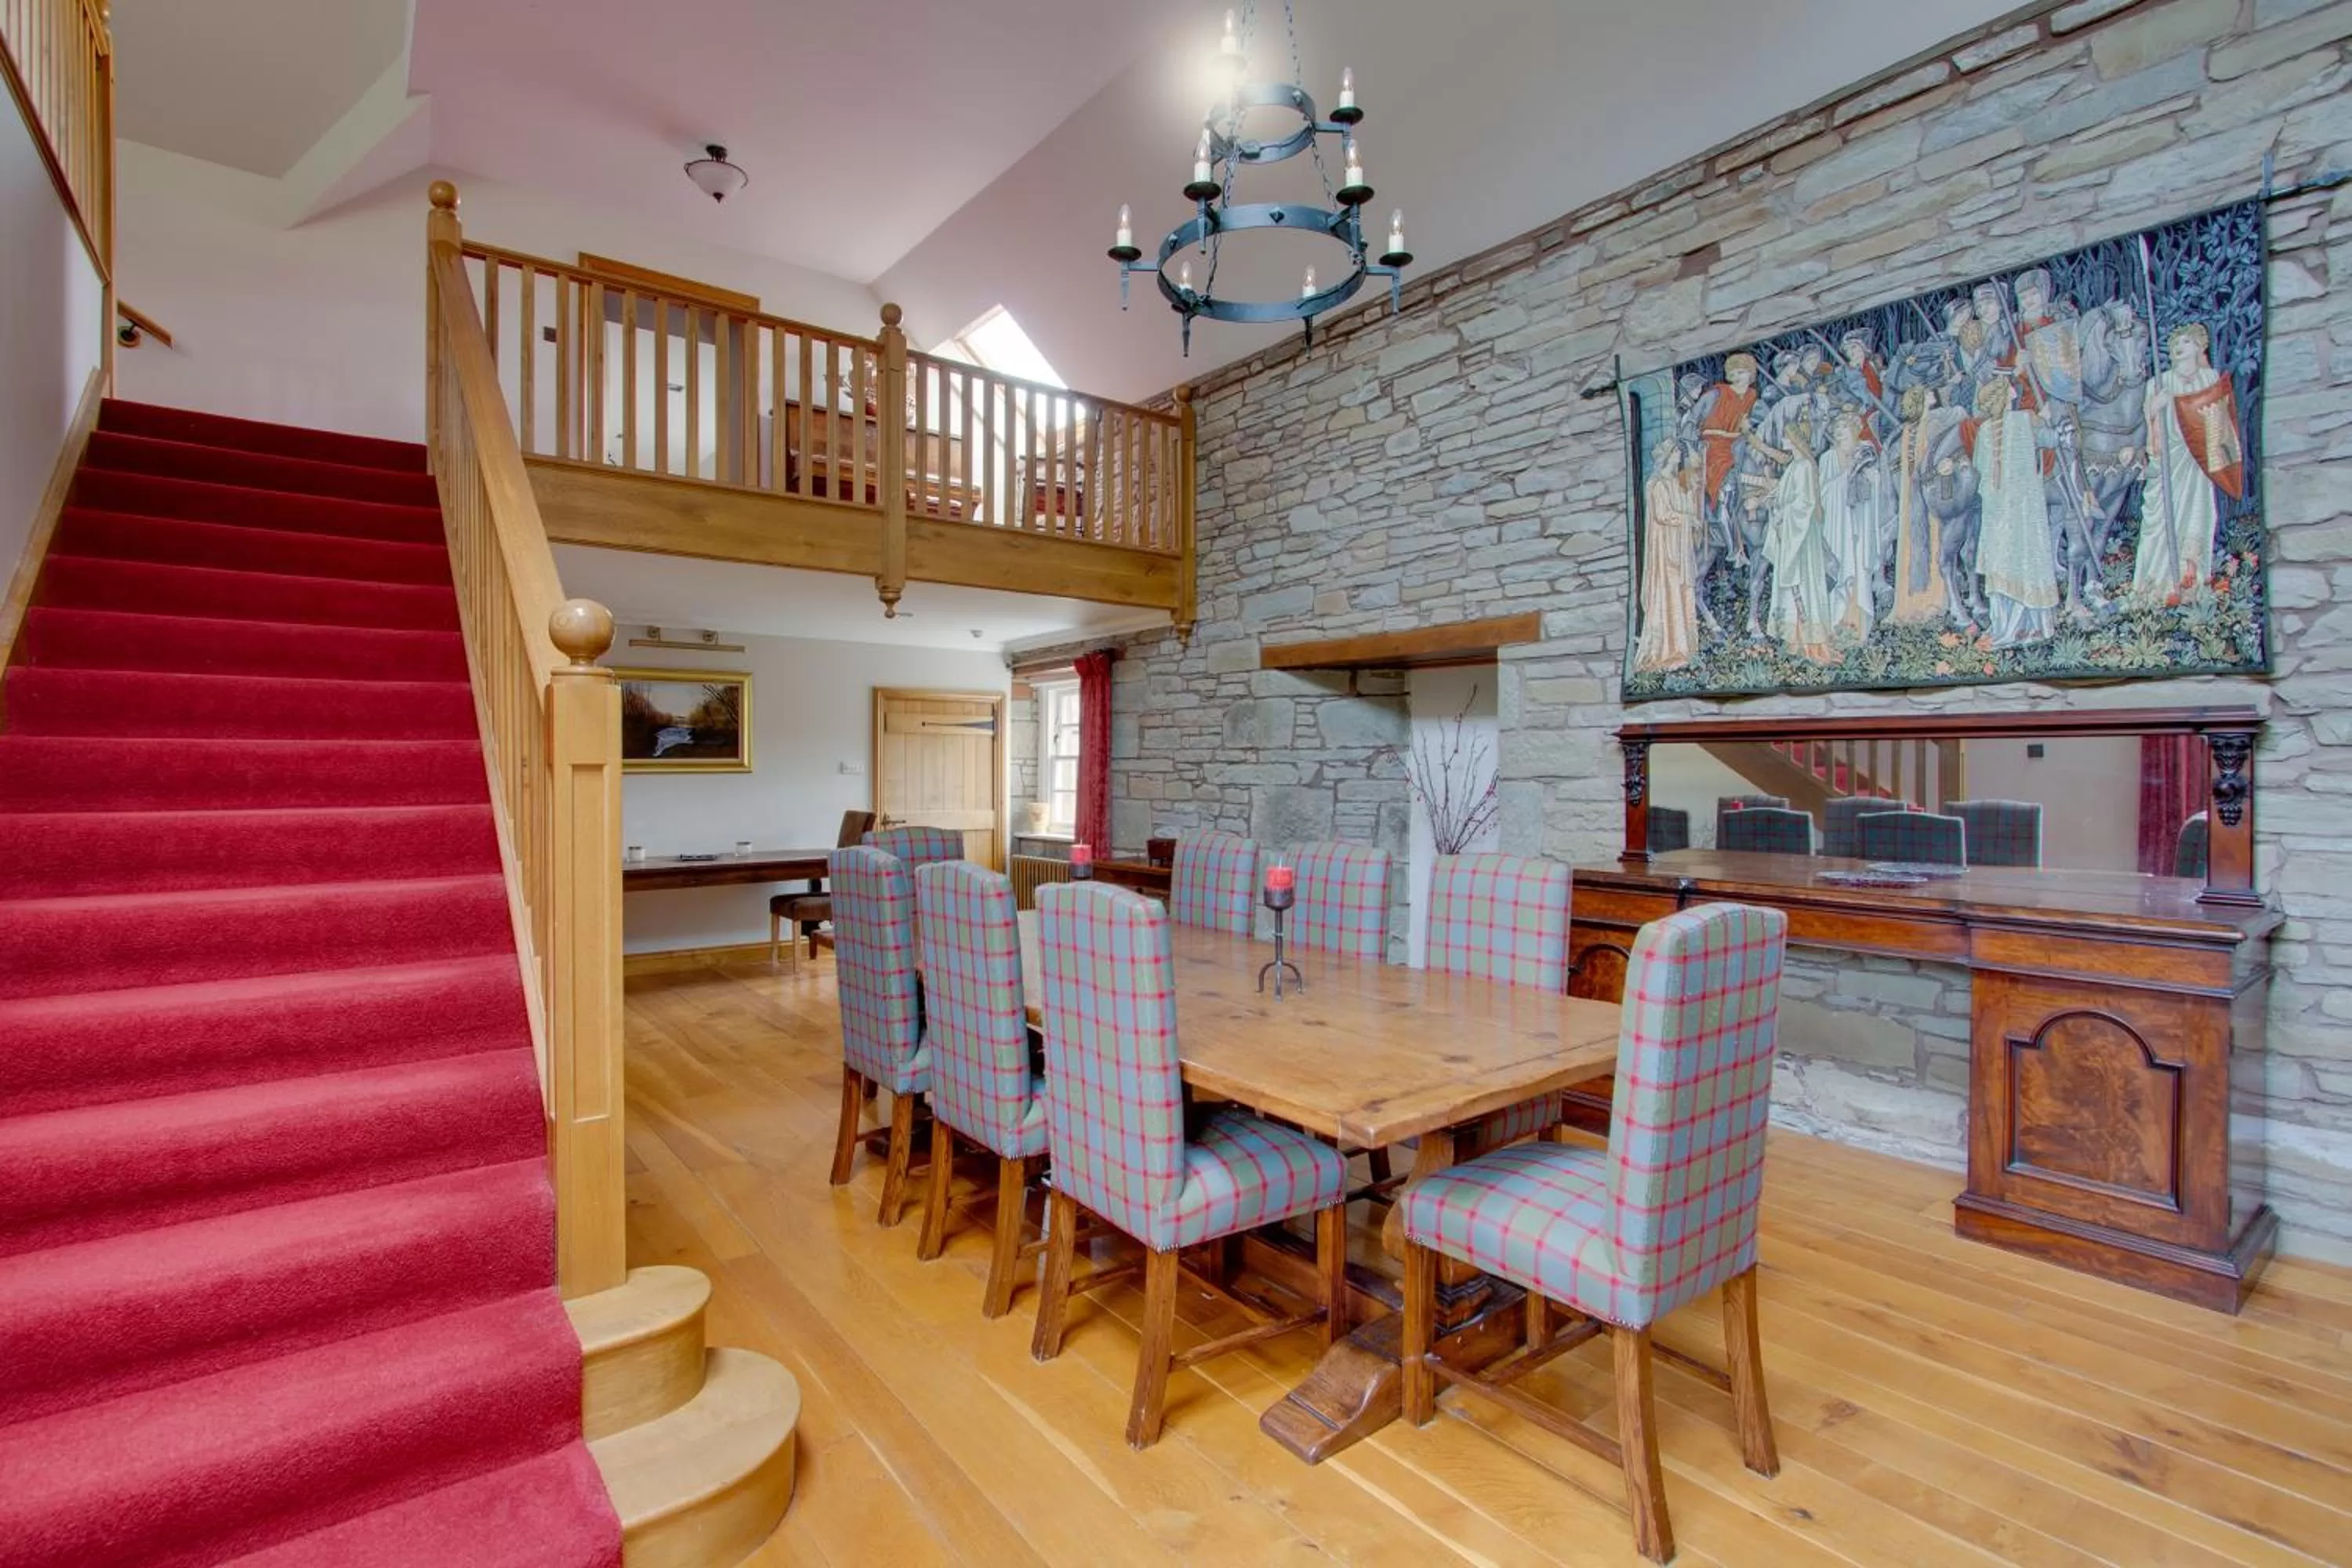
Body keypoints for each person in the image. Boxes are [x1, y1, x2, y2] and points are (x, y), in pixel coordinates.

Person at [2133, 321, 2242, 604]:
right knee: (2159, 521)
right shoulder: (2158, 383)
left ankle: (2190, 578)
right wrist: (2154, 410)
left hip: (2197, 462)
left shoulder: (2210, 379)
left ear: (2199, 347)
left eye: (2186, 342)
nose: (2179, 348)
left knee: (2196, 515)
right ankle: (2155, 585)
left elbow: (2219, 427)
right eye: (2175, 344)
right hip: (2169, 462)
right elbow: (2149, 428)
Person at [1971, 376, 2061, 647]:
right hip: (2023, 510)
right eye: (2010, 386)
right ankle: (2024, 628)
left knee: (2001, 564)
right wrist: (2047, 420)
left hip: (1996, 511)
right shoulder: (2025, 420)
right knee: (2025, 562)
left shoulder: (1984, 430)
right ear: (2007, 395)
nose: (2014, 388)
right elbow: (2052, 440)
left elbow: (1980, 468)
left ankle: (2006, 627)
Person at [1759, 412, 1839, 663]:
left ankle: (1809, 642)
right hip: (1793, 534)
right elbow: (1789, 496)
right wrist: (1774, 500)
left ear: (1795, 439)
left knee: (1803, 584)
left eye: (1786, 436)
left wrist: (1783, 513)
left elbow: (1805, 502)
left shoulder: (1804, 466)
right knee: (1793, 588)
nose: (1783, 440)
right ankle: (1795, 641)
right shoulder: (1795, 466)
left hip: (1801, 537)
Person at [1892, 386, 1964, 623]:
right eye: (1928, 393)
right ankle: (1931, 600)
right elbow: (1960, 415)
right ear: (1923, 400)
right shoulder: (1932, 423)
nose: (1933, 393)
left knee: (1918, 544)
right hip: (1926, 494)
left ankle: (1917, 601)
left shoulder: (1909, 429)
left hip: (1915, 495)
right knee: (1934, 542)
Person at [1634, 440, 1701, 673]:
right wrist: (1687, 519)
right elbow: (1663, 515)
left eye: (1679, 452)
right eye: (1675, 452)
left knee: (1682, 594)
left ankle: (1684, 649)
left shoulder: (1676, 483)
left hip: (1680, 547)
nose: (1678, 455)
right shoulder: (1657, 485)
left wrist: (1692, 507)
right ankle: (1666, 651)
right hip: (1665, 550)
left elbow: (1687, 507)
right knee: (1669, 593)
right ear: (1666, 456)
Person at [1817, 412, 1882, 640]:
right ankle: (1836, 624)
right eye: (1836, 431)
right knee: (1840, 573)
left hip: (1861, 525)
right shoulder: (1828, 458)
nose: (1839, 434)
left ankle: (1860, 628)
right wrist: (1846, 478)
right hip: (1838, 527)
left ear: (1855, 431)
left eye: (1843, 429)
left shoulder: (1866, 453)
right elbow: (1822, 492)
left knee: (1860, 572)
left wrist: (1869, 477)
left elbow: (1877, 485)